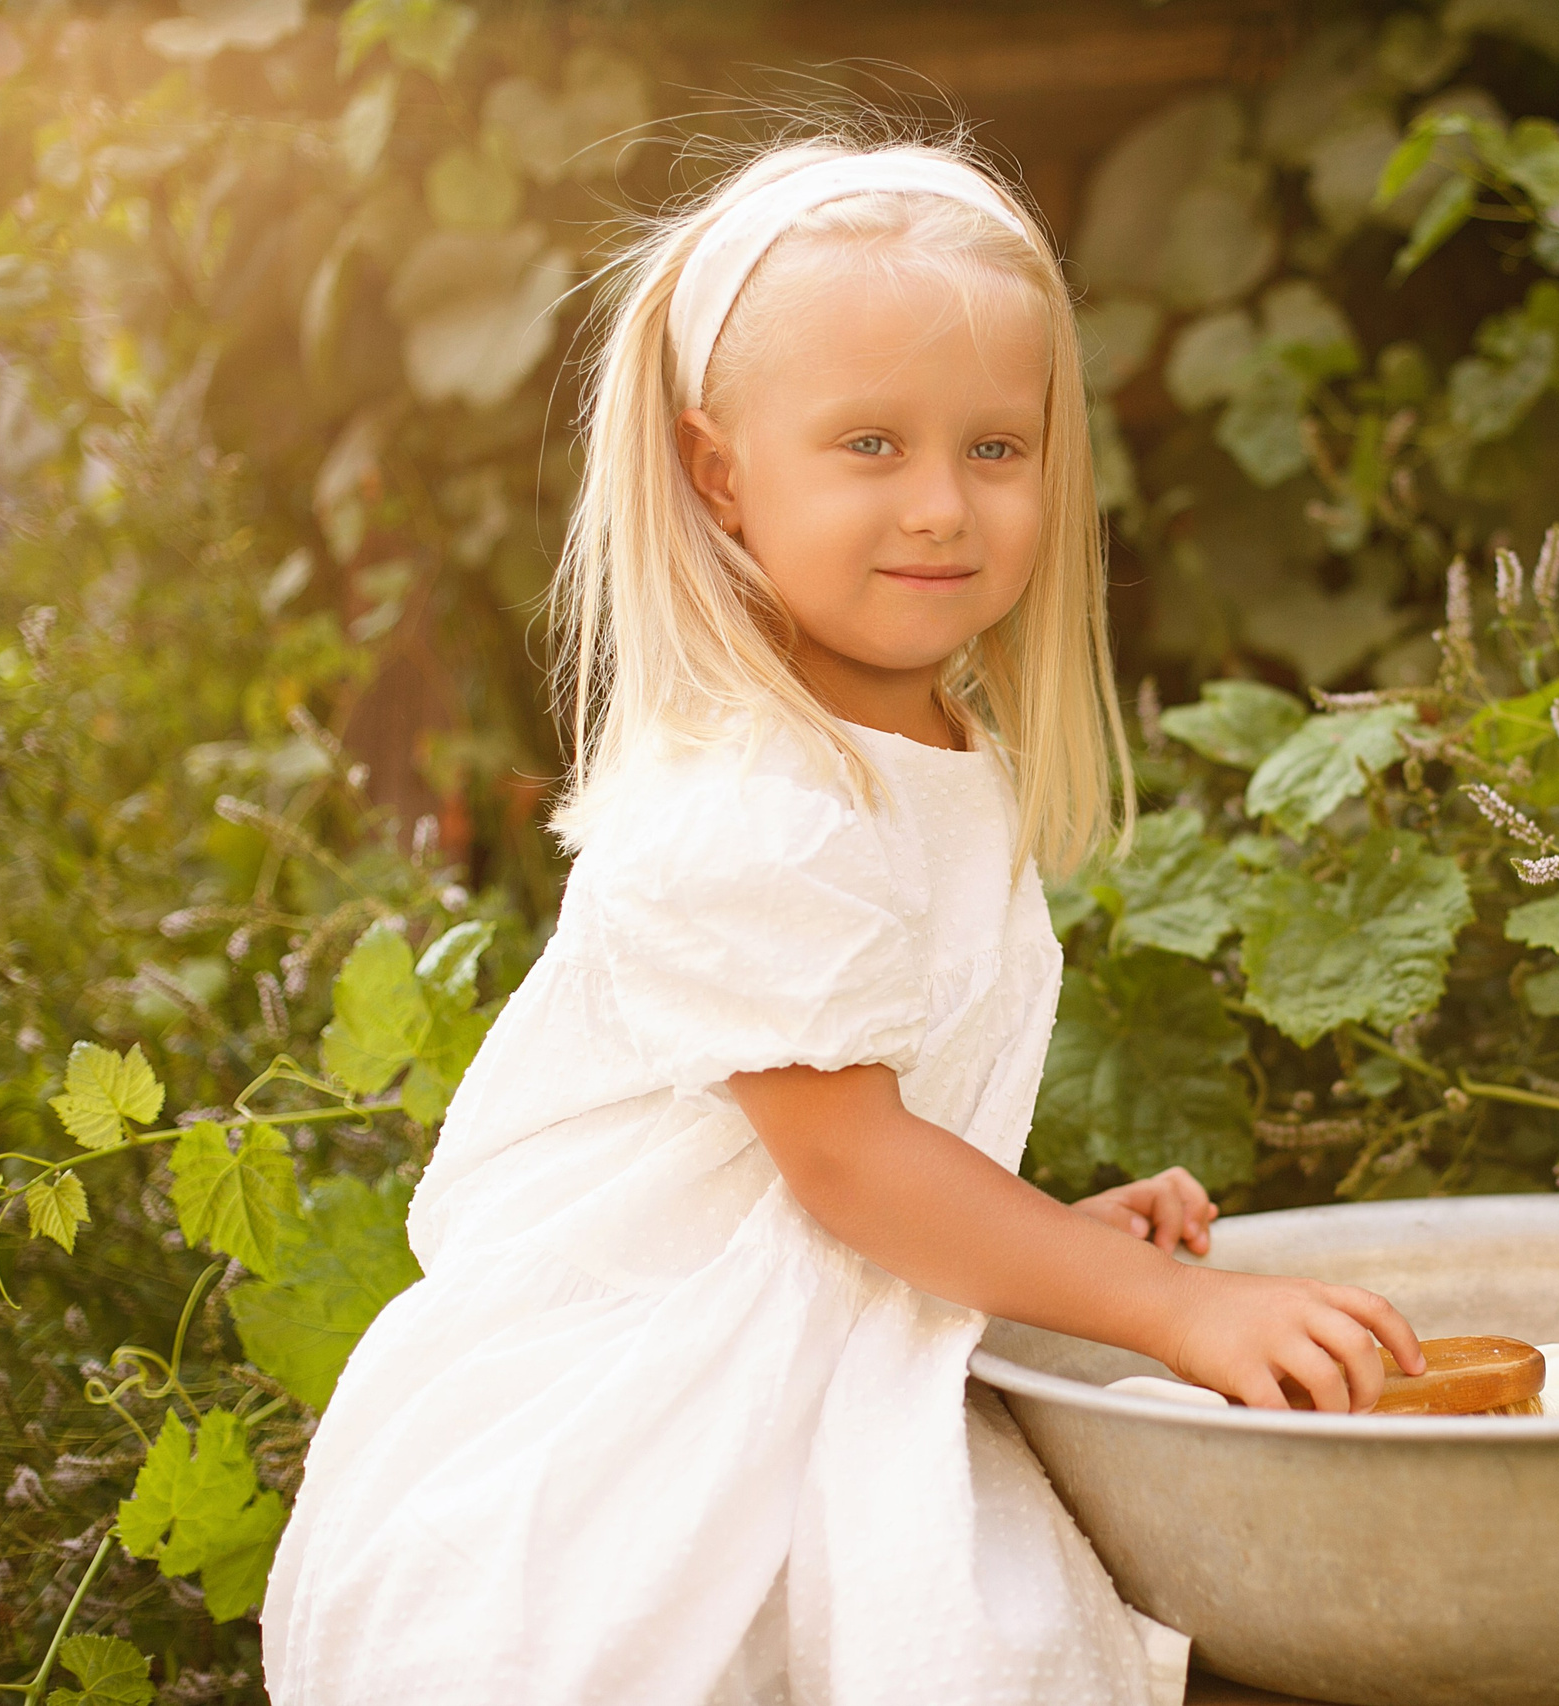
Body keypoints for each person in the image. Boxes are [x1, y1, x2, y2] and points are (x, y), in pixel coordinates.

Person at [261, 135, 1424, 1706]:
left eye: (995, 448)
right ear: (722, 469)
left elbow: (844, 1156)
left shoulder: (920, 741)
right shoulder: (751, 799)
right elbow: (849, 1160)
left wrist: (1050, 1244)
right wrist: (1173, 1306)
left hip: (802, 1341)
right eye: (870, 442)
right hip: (643, 1411)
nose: (942, 505)